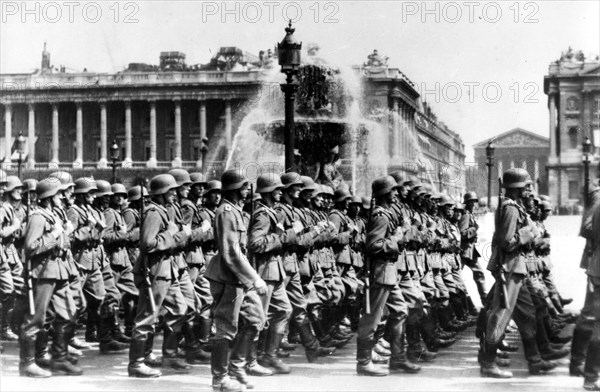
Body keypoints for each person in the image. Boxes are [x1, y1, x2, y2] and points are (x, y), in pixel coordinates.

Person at [480, 168, 556, 378]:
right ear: (517, 188)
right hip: (510, 267)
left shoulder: (515, 207)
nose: (529, 189)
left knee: (528, 314)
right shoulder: (511, 209)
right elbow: (506, 242)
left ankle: (535, 361)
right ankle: (487, 363)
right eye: (527, 186)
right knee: (500, 316)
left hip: (517, 268)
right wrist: (528, 233)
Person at [204, 170, 267, 392]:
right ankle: (220, 379)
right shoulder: (226, 212)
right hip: (227, 277)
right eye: (243, 187)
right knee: (225, 327)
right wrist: (255, 278)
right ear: (233, 190)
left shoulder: (236, 211)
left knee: (254, 319)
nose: (247, 191)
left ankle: (237, 367)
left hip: (239, 278)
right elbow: (231, 252)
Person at [356, 175, 419, 377]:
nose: (396, 193)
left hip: (390, 272)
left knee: (400, 310)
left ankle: (398, 359)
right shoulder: (381, 216)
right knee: (371, 318)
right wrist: (396, 238)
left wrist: (404, 233)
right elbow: (373, 246)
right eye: (393, 191)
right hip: (381, 271)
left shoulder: (388, 214)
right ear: (385, 193)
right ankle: (363, 362)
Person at [19, 178, 82, 377]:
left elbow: (61, 242)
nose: (62, 196)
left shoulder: (52, 214)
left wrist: (64, 234)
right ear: (48, 197)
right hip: (44, 272)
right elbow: (30, 247)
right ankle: (27, 363)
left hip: (59, 271)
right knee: (36, 318)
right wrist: (54, 235)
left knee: (69, 313)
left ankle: (60, 358)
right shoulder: (38, 217)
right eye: (58, 194)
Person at [127, 174, 189, 378]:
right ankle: (136, 363)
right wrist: (170, 234)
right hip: (154, 271)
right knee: (146, 317)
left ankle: (168, 354)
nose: (174, 193)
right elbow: (147, 244)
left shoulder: (163, 210)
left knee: (180, 308)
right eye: (170, 190)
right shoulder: (153, 213)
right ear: (161, 193)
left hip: (166, 270)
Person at [459, 192, 487, 308]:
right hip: (464, 250)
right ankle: (468, 305)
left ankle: (485, 301)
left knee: (479, 274)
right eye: (471, 202)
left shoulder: (470, 214)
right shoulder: (465, 215)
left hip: (470, 250)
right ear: (467, 202)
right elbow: (462, 233)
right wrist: (474, 230)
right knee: (457, 276)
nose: (474, 204)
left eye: (475, 202)